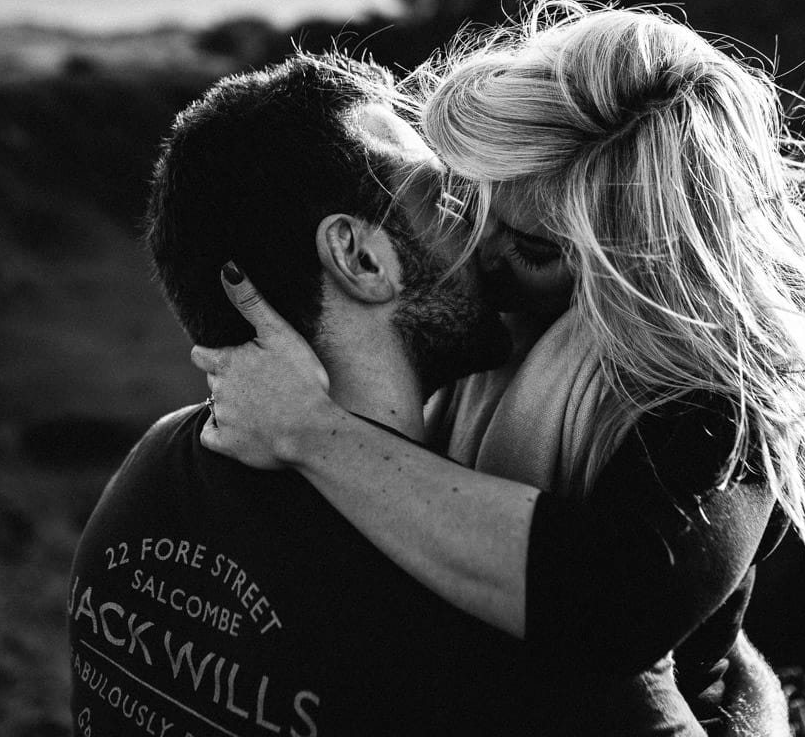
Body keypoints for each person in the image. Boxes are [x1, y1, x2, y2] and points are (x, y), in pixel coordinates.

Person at [196, 0, 805, 736]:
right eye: (471, 205)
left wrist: (314, 435)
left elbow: (612, 607)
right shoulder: (471, 334)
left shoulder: (717, 405)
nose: (478, 264)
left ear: (655, 271)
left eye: (535, 250)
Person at [69, 53, 556, 737]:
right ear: (361, 259)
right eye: (445, 196)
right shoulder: (455, 604)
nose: (487, 223)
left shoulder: (151, 468)